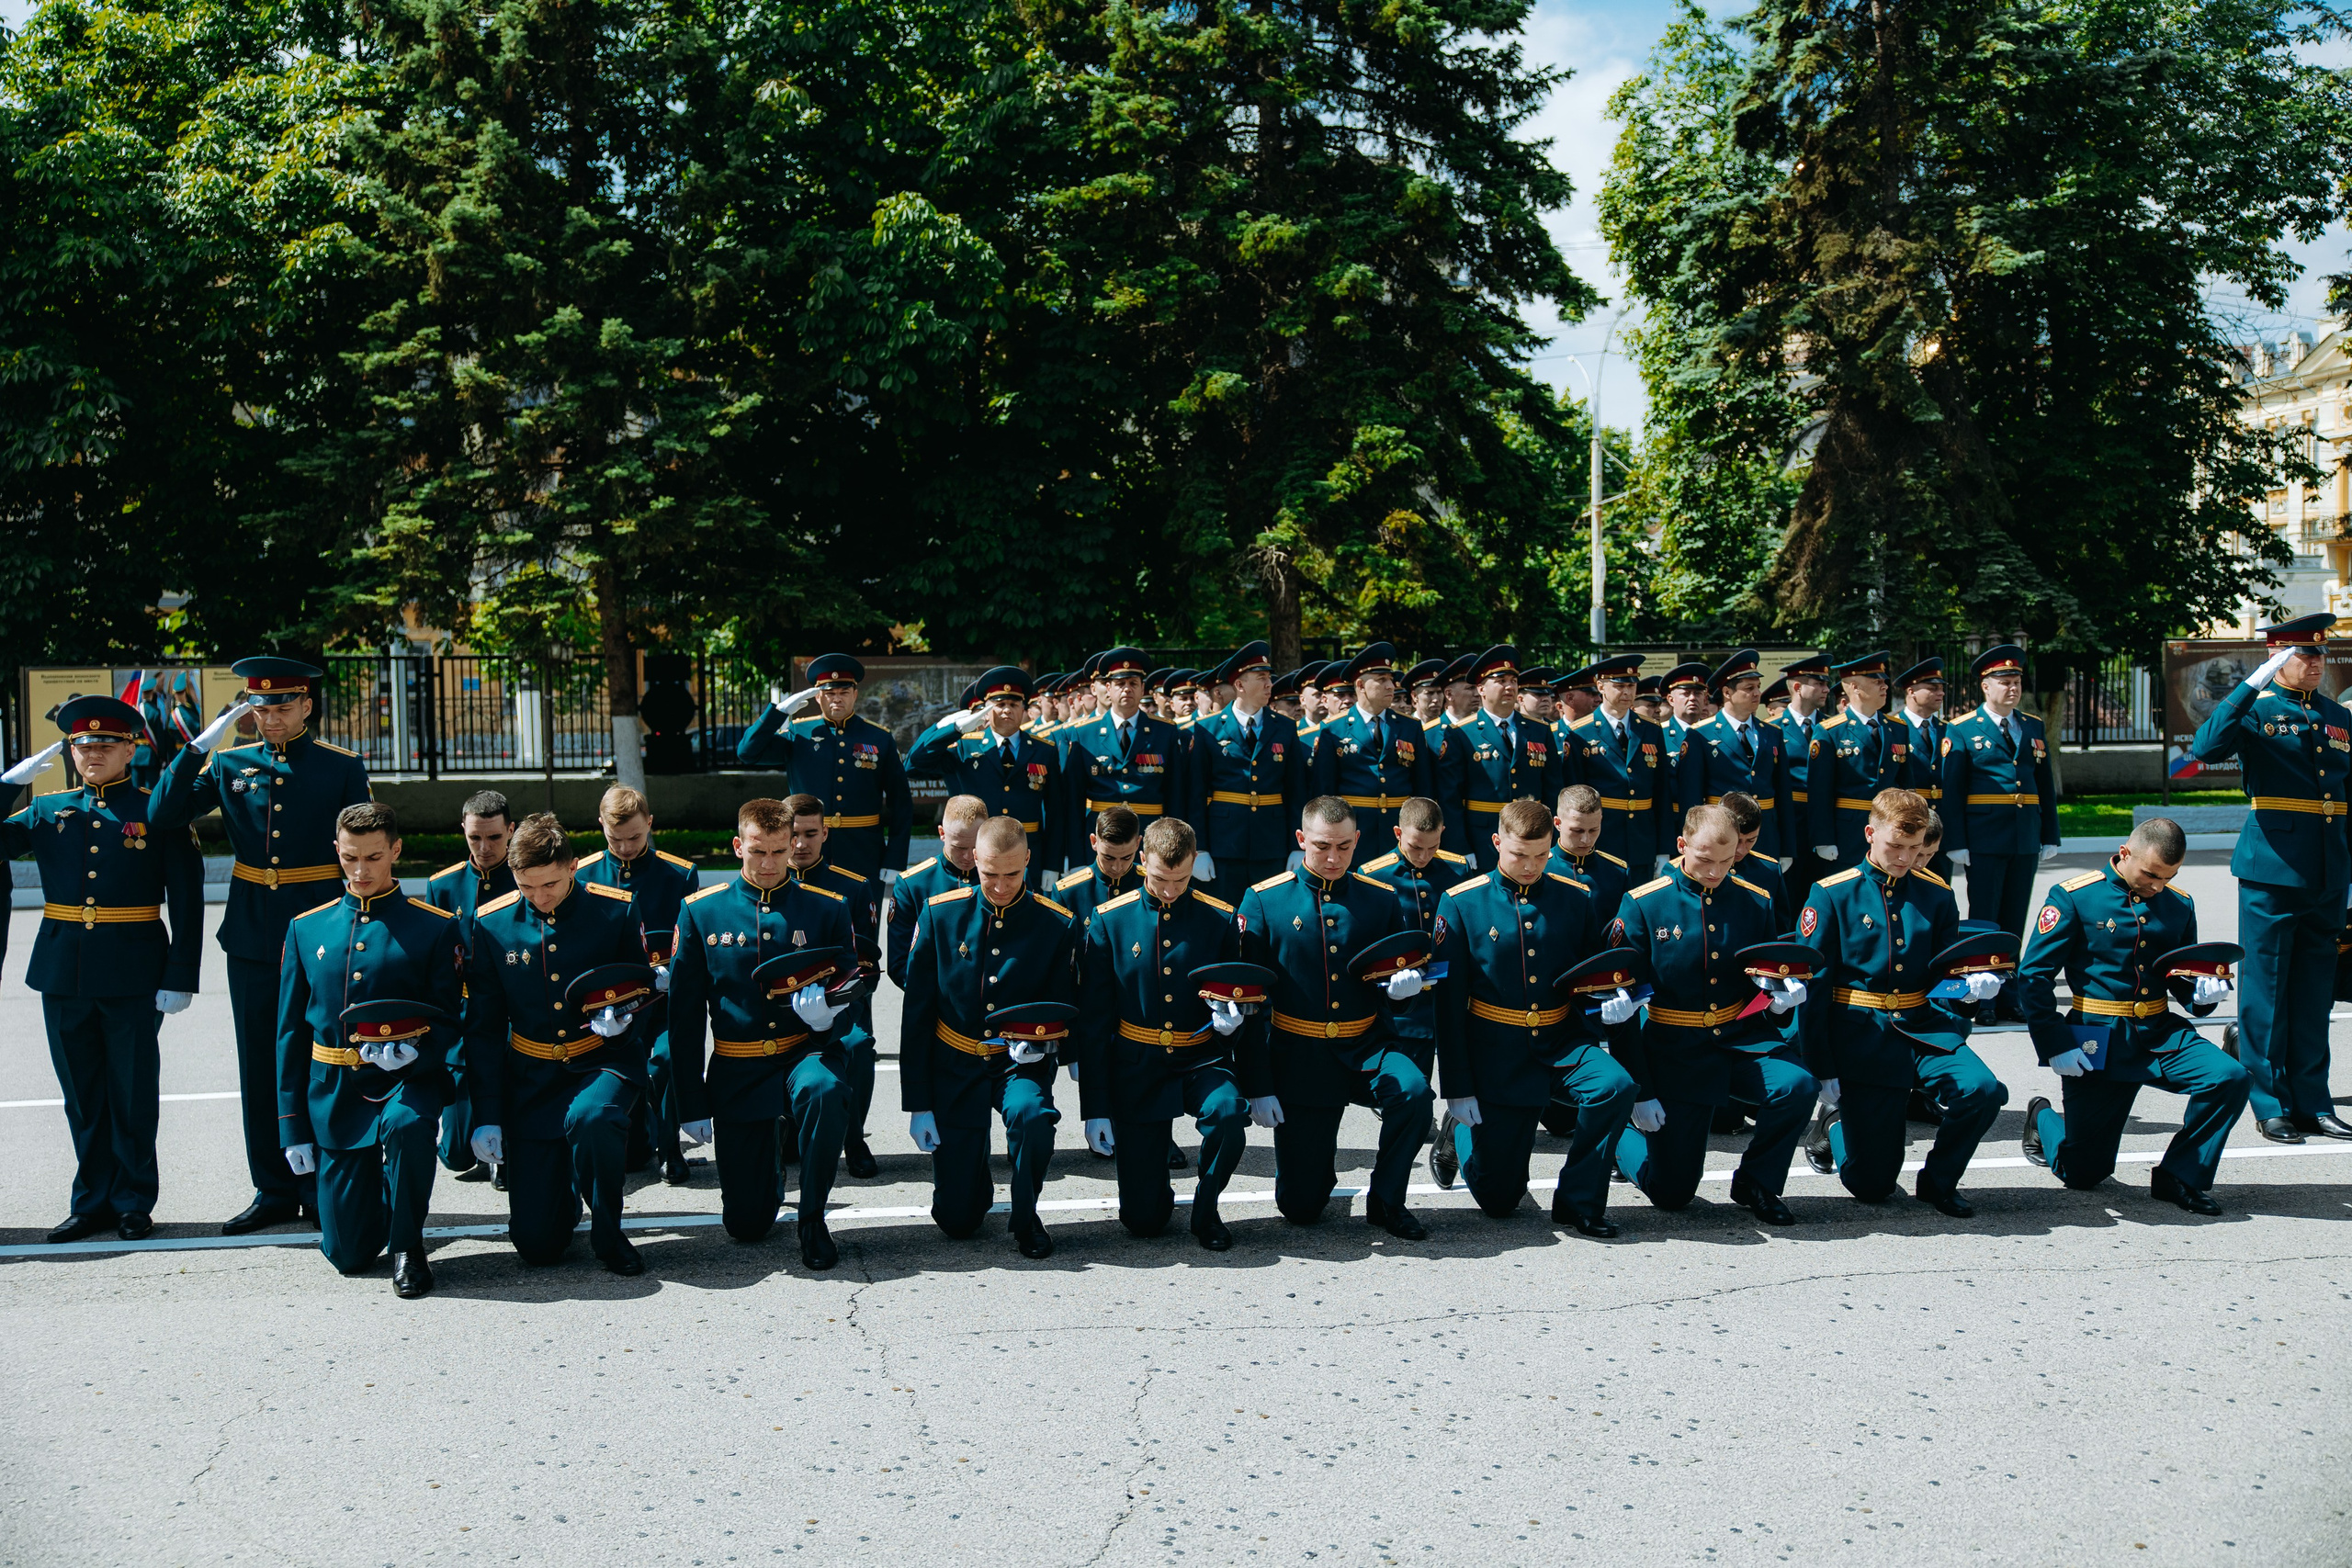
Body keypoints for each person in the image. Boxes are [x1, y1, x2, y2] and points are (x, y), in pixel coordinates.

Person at [149, 655, 371, 1235]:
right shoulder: (229, 764)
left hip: (320, 929)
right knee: (259, 1059)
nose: (270, 719)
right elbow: (162, 813)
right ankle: (272, 1186)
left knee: (324, 1053)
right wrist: (196, 749)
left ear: (306, 706)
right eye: (260, 709)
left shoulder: (340, 767)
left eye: (282, 707)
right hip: (252, 932)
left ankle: (322, 1180)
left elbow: (364, 847)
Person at [2, 695, 203, 1244]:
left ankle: (133, 1200)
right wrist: (7, 787)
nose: (93, 753)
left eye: (107, 743)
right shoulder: (46, 810)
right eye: (83, 744)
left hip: (135, 970)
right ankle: (91, 1201)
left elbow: (187, 899)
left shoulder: (156, 811)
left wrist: (181, 974)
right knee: (82, 1094)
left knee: (131, 1091)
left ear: (130, 749)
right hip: (63, 972)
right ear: (71, 751)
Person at [2016, 818, 2252, 1213]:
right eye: (2151, 874)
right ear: (2125, 853)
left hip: (2161, 1032)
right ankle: (2043, 1117)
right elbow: (2033, 976)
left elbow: (2181, 976)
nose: (2158, 886)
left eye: (2169, 877)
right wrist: (2054, 1042)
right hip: (2099, 1039)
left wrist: (2202, 994)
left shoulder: (2179, 903)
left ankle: (2180, 1176)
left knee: (2230, 1077)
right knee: (2083, 1173)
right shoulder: (2075, 897)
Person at [275, 803, 464, 1295]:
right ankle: (379, 1194)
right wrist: (292, 1127)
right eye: (350, 857)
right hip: (337, 1089)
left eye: (374, 857)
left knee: (408, 1127)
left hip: (407, 1079)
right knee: (348, 1255)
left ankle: (408, 1245)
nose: (360, 870)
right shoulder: (307, 928)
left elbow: (451, 1019)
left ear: (396, 851)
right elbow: (291, 1032)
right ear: (336, 850)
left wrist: (420, 1056)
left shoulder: (434, 926)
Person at [1795, 788, 2009, 1216]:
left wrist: (1968, 990)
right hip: (1862, 1036)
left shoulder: (1937, 894)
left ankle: (1938, 1181)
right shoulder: (1832, 894)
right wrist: (1821, 1066)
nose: (1905, 858)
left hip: (1922, 1027)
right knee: (1872, 1185)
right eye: (1896, 846)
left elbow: (1945, 974)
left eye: (1914, 848)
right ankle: (1836, 1125)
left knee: (1983, 1091)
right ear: (1870, 834)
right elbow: (1813, 990)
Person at [460, 813, 657, 1275]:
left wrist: (624, 1024)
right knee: (538, 1246)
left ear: (572, 867)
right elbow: (484, 1027)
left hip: (601, 1060)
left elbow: (643, 992)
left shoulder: (615, 911)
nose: (539, 897)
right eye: (526, 887)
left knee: (593, 1119)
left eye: (549, 884)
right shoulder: (492, 924)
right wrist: (486, 1114)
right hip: (532, 1076)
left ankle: (608, 1232)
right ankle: (561, 1191)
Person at [1428, 797, 1634, 1237]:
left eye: (1541, 855)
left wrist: (1609, 1003)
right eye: (1520, 854)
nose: (1530, 866)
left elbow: (1588, 976)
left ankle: (1579, 1202)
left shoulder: (1575, 897)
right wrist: (1458, 1089)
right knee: (1500, 1200)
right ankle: (1460, 1132)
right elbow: (1448, 1005)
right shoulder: (1462, 903)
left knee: (1614, 1086)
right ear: (1497, 842)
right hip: (1498, 1054)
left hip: (1561, 1042)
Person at [669, 795, 859, 1269]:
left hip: (802, 1052)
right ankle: (769, 1173)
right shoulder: (701, 912)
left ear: (792, 844)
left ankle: (812, 1218)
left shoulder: (827, 909)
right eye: (758, 851)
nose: (770, 863)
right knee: (747, 1225)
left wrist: (826, 1021)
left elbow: (852, 991)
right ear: (738, 847)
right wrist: (691, 1102)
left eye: (778, 851)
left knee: (825, 1090)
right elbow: (684, 1017)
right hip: (739, 1066)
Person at [1235, 796, 1434, 1239]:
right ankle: (1314, 1174)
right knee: (1301, 1207)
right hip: (1300, 1055)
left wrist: (1400, 994)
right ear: (1301, 839)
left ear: (1357, 840)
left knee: (1415, 1092)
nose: (1333, 857)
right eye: (1322, 846)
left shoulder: (1379, 899)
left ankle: (1387, 1199)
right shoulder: (1265, 901)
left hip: (1366, 1046)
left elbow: (1393, 979)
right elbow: (1251, 1007)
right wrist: (1258, 1086)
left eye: (1344, 847)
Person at [1608, 806, 1816, 1227]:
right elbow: (1623, 1008)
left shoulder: (1755, 900)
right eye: (1705, 859)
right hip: (1676, 1049)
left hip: (1740, 1039)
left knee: (1796, 1085)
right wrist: (1639, 1091)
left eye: (1727, 860)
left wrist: (1779, 1000)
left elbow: (1764, 973)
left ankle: (1757, 1182)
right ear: (1682, 846)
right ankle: (1621, 1138)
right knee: (1672, 1193)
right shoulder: (1645, 904)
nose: (1716, 871)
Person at [2188, 613, 2352, 1142]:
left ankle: (2313, 1101)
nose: (2315, 663)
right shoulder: (2255, 710)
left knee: (2315, 993)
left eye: (2319, 654)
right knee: (2267, 989)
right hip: (2273, 868)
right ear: (2277, 658)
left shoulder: (2336, 716)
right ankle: (2269, 1100)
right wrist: (2248, 686)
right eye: (2303, 654)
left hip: (2328, 869)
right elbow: (2206, 748)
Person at [901, 816, 1079, 1258]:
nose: (1000, 886)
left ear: (1028, 860)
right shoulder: (941, 915)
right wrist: (919, 1103)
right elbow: (917, 1013)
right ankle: (971, 1173)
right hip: (955, 1062)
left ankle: (1026, 1214)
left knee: (1032, 1116)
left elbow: (1064, 1006)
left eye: (1012, 874)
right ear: (974, 860)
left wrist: (1043, 1044)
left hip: (1018, 1060)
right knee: (958, 1220)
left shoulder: (1055, 923)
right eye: (989, 874)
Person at [1078, 817, 1255, 1247]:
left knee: (1229, 1113)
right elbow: (1096, 1020)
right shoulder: (1110, 921)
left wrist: (1231, 1026)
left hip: (1199, 1056)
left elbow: (1237, 996)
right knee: (1143, 1221)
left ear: (1194, 862)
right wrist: (1095, 1107)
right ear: (1142, 860)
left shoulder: (1219, 919)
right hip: (1137, 1065)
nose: (1171, 890)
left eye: (1181, 879)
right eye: (1159, 879)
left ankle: (1206, 1210)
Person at [576, 785, 703, 1183]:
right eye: (615, 839)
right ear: (600, 825)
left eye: (634, 837)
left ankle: (670, 1148)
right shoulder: (583, 875)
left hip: (662, 1000)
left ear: (649, 823)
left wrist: (673, 974)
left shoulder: (678, 874)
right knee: (630, 1149)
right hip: (610, 1003)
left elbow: (690, 940)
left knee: (665, 1060)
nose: (626, 848)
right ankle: (633, 1134)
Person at [1940, 644, 2061, 1021]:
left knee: (2014, 918)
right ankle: (1984, 998)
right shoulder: (1961, 729)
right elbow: (1952, 790)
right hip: (1984, 837)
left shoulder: (2032, 725)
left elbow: (2044, 783)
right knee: (1985, 919)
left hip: (2024, 835)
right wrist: (1956, 841)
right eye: (2005, 682)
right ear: (1985, 686)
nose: (2012, 688)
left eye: (2017, 682)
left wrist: (2050, 834)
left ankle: (2010, 996)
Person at [773, 794, 886, 1177]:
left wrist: (833, 1002)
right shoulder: (769, 887)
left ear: (825, 833)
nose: (801, 844)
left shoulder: (853, 888)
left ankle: (853, 1140)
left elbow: (865, 965)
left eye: (810, 834)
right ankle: (782, 1131)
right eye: (794, 835)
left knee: (858, 1045)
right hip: (780, 1007)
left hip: (838, 1007)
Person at [735, 652, 912, 885]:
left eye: (843, 693)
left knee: (861, 908)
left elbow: (901, 802)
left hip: (863, 850)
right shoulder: (800, 733)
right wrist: (777, 713)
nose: (836, 699)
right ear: (818, 697)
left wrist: (895, 858)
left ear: (855, 695)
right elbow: (747, 752)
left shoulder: (879, 737)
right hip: (805, 849)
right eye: (829, 693)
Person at [424, 789, 517, 1183]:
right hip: (466, 1018)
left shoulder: (526, 878)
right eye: (474, 837)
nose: (484, 847)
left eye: (494, 837)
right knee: (455, 1155)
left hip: (514, 1013)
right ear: (462, 829)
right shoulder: (443, 887)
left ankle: (511, 1148)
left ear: (511, 830)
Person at [906, 666, 1064, 885]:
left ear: (1023, 709)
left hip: (1027, 856)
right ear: (986, 711)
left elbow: (1055, 812)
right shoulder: (964, 746)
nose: (1007, 710)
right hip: (976, 856)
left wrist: (1052, 865)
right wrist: (948, 729)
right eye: (999, 705)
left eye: (1013, 704)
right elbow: (913, 765)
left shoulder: (1044, 750)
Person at [1356, 795, 1476, 1077]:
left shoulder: (1458, 869)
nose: (1424, 856)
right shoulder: (1374, 875)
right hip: (1404, 1005)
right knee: (1414, 1086)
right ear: (1398, 833)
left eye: (1433, 846)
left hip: (1450, 994)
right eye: (1415, 847)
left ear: (1442, 832)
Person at [1060, 648, 1193, 874]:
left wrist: (1177, 846)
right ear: (1108, 688)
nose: (1127, 689)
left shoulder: (1165, 732)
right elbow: (1073, 802)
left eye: (1133, 683)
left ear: (1142, 688)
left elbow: (1176, 795)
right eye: (1120, 683)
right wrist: (1075, 858)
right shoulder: (1084, 733)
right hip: (1101, 838)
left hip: (1151, 836)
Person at [1189, 640, 1306, 893]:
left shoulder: (1285, 727)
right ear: (1240, 685)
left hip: (1272, 842)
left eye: (1269, 678)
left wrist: (1298, 845)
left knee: (1270, 909)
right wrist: (1199, 848)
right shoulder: (1208, 728)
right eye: (1261, 678)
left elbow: (1297, 790)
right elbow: (1196, 792)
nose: (1269, 684)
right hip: (1224, 842)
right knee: (1224, 910)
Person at [1434, 645, 1562, 872]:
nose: (1509, 686)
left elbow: (1553, 789)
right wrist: (1460, 846)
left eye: (1513, 681)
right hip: (1483, 837)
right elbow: (1450, 797)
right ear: (1481, 689)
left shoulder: (1539, 730)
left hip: (1533, 836)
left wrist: (1552, 839)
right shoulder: (1462, 733)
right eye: (1501, 681)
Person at [1804, 651, 1926, 874]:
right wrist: (1823, 839)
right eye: (1877, 682)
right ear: (1855, 687)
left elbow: (1906, 786)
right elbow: (1820, 791)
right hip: (1848, 833)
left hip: (1891, 833)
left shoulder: (1897, 728)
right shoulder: (1830, 731)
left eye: (1884, 681)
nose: (1885, 686)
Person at [1307, 642, 1433, 852]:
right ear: (1360, 685)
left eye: (1391, 679)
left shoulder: (1410, 727)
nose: (1391, 686)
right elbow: (1325, 791)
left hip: (1401, 829)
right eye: (1382, 680)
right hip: (1353, 831)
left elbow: (1423, 786)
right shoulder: (1333, 729)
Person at [1676, 649, 1795, 862]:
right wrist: (1694, 845)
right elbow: (1691, 796)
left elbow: (1784, 794)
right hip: (1720, 837)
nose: (1757, 693)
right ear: (1727, 692)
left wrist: (1787, 848)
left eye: (1758, 687)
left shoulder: (1772, 733)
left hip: (1765, 836)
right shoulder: (1701, 734)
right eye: (1749, 688)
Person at [1561, 654, 1673, 875]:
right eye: (1620, 686)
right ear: (1601, 686)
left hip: (1642, 839)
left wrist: (1663, 849)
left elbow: (1662, 792)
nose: (1627, 692)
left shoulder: (1650, 729)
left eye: (1631, 686)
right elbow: (1573, 794)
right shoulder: (1580, 732)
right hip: (1601, 840)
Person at [888, 795, 987, 983]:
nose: (968, 856)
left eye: (975, 847)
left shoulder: (1006, 878)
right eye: (959, 847)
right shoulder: (913, 884)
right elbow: (900, 963)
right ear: (942, 833)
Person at [1774, 655, 1835, 908]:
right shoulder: (1773, 729)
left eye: (1826, 683)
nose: (1826, 689)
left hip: (1828, 823)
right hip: (1791, 821)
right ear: (1798, 687)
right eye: (1819, 683)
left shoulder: (1832, 727)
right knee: (1790, 898)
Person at [1894, 658, 1952, 879]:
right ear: (1911, 691)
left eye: (1941, 688)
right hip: (1908, 824)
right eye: (1932, 688)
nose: (1941, 693)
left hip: (1942, 826)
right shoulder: (1894, 728)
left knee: (1939, 886)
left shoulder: (1949, 730)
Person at [1546, 784, 1632, 929]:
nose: (1586, 840)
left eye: (1593, 830)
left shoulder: (1617, 872)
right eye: (1577, 830)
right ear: (1557, 823)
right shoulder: (1540, 868)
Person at [1657, 662, 1709, 760]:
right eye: (1686, 693)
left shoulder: (1714, 733)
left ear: (1705, 700)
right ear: (1671, 700)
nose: (1692, 698)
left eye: (1697, 693)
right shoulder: (1659, 734)